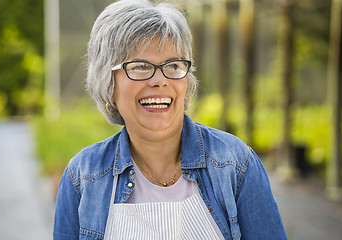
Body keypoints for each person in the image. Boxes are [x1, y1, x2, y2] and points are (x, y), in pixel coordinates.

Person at [53, 0, 287, 239]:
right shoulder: (83, 176)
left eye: (172, 65)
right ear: (109, 85)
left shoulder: (235, 164)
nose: (160, 81)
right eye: (141, 66)